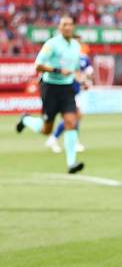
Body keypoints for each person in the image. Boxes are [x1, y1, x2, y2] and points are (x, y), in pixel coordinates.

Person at [16, 15, 85, 174]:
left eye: (70, 24)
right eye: (64, 24)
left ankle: (71, 163)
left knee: (71, 121)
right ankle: (25, 119)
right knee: (47, 129)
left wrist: (80, 77)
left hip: (67, 88)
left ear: (73, 27)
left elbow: (75, 69)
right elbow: (38, 65)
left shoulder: (76, 45)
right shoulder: (52, 44)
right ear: (60, 28)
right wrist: (57, 70)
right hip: (50, 87)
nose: (67, 27)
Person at [45, 35, 91, 153]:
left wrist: (85, 82)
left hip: (76, 90)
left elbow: (86, 74)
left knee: (75, 116)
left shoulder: (84, 58)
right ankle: (68, 141)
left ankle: (54, 138)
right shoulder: (66, 57)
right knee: (75, 116)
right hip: (66, 90)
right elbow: (70, 73)